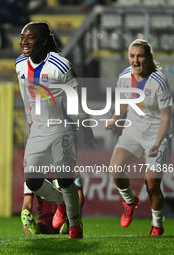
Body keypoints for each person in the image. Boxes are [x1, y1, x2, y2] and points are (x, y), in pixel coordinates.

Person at [15, 22, 96, 239]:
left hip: (62, 127)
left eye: (30, 38)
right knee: (32, 180)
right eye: (22, 37)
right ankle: (61, 203)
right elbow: (26, 97)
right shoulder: (20, 65)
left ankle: (75, 227)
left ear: (43, 41)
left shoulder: (60, 66)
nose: (24, 41)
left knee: (65, 178)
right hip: (37, 130)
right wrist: (31, 122)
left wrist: (85, 124)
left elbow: (76, 97)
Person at [106, 39, 172, 236]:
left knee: (152, 185)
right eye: (132, 56)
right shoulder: (124, 77)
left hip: (157, 133)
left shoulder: (159, 81)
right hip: (133, 130)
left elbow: (167, 117)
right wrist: (115, 118)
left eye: (140, 56)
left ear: (148, 58)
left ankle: (157, 225)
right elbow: (124, 103)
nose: (135, 60)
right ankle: (129, 200)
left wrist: (158, 143)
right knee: (115, 170)